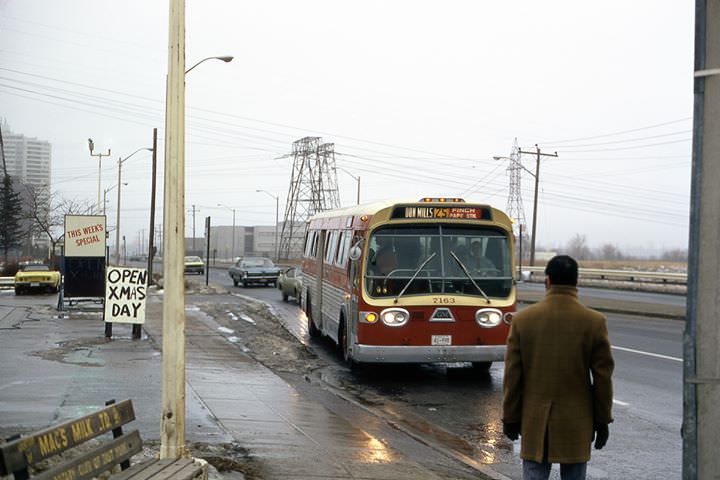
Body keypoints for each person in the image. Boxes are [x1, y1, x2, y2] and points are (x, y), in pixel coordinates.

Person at [502, 255, 614, 480]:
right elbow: (603, 379)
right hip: (577, 422)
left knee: (534, 473)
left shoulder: (524, 320)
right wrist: (602, 421)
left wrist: (510, 417)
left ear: (547, 280)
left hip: (535, 422)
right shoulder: (593, 321)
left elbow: (513, 376)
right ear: (576, 281)